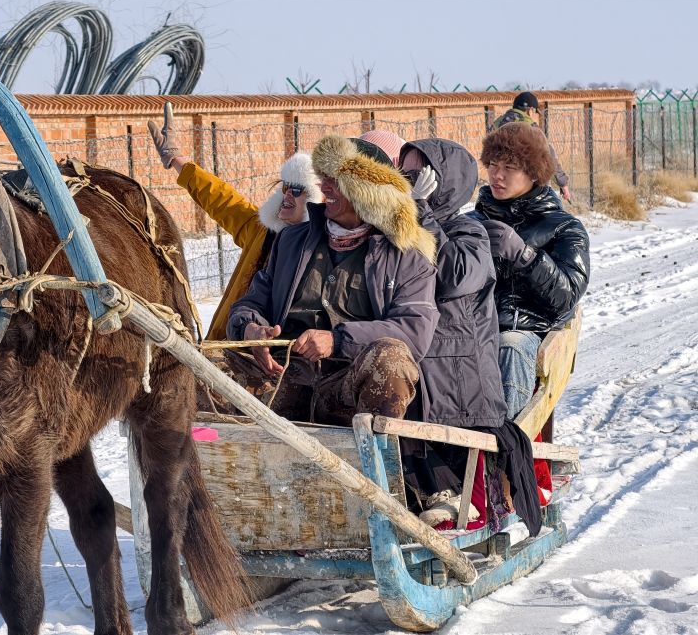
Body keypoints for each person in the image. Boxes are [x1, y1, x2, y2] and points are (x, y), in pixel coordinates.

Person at [225, 135, 439, 425]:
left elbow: (414, 331)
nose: (324, 187)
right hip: (281, 376)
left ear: (366, 190)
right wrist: (250, 329)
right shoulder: (292, 240)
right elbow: (251, 303)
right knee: (191, 368)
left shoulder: (406, 255)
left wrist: (337, 340)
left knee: (392, 359)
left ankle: (374, 453)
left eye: (335, 180)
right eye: (324, 177)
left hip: (349, 388)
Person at [397, 138, 506, 527]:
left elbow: (454, 275)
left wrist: (420, 212)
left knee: (429, 437)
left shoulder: (470, 232)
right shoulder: (404, 229)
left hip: (459, 372)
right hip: (422, 360)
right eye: (402, 173)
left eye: (416, 175)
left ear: (443, 181)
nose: (406, 182)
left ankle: (454, 498)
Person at [147, 102, 323, 340]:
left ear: (314, 199)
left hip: (279, 353)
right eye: (285, 187)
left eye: (298, 190)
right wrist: (176, 158)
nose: (288, 195)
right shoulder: (261, 231)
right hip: (227, 344)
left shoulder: (322, 250)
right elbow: (221, 199)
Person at [470, 122, 590, 421]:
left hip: (525, 332)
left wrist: (525, 256)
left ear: (535, 173)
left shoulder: (564, 228)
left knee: (509, 346)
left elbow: (566, 297)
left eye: (509, 167)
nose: (497, 175)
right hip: (470, 330)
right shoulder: (471, 223)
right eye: (493, 164)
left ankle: (502, 439)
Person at [491, 92, 572, 202]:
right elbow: (549, 157)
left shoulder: (496, 126)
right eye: (535, 112)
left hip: (501, 185)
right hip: (528, 188)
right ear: (530, 110)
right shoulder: (531, 129)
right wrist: (562, 183)